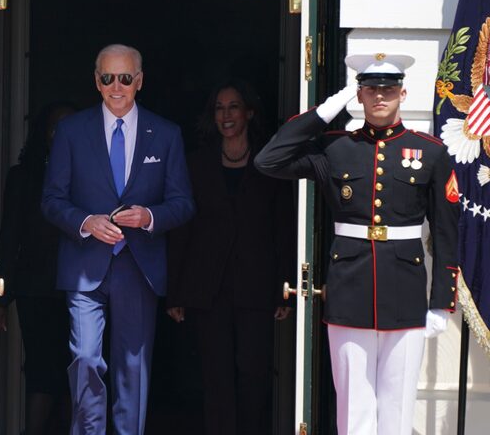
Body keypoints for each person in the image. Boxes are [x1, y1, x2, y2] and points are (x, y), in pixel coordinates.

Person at [254, 53, 459, 435]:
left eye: (388, 90)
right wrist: (327, 110)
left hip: (405, 291)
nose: (380, 96)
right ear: (359, 95)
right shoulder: (335, 148)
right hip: (349, 289)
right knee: (353, 410)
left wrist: (441, 301)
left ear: (402, 94)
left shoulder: (430, 152)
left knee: (397, 411)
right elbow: (269, 160)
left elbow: (447, 233)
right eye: (370, 90)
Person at [41, 44, 195, 435]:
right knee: (85, 358)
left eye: (125, 78)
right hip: (84, 265)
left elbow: (183, 204)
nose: (116, 87)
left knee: (132, 370)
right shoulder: (72, 131)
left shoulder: (165, 134)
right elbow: (52, 200)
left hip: (138, 266)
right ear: (96, 81)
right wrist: (86, 222)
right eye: (108, 78)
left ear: (139, 81)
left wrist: (149, 217)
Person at [166, 79, 294, 435]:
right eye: (219, 108)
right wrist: (175, 292)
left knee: (253, 372)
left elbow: (284, 226)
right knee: (215, 375)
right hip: (208, 286)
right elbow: (182, 230)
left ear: (249, 113)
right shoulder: (196, 164)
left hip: (257, 284)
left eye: (233, 106)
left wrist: (285, 286)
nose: (226, 115)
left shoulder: (270, 161)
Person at [0, 102, 76, 435]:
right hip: (36, 289)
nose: (63, 135)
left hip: (80, 290)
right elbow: (9, 237)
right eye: (56, 128)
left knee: (75, 371)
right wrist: (0, 298)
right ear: (44, 133)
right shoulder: (24, 177)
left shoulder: (89, 175)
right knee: (43, 370)